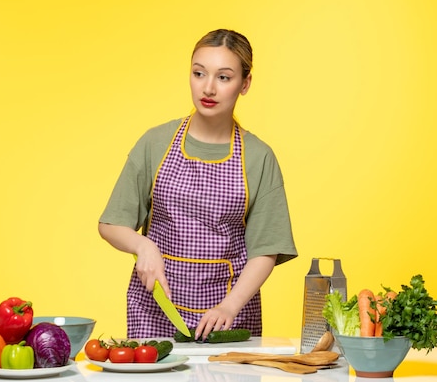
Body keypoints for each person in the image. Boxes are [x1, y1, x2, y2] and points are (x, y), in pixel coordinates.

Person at [98, 29, 297, 340]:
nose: (208, 88)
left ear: (245, 84)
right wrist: (142, 245)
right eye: (198, 73)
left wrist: (229, 307)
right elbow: (111, 224)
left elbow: (266, 250)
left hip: (228, 317)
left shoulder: (259, 158)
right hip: (154, 312)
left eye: (224, 77)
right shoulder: (155, 143)